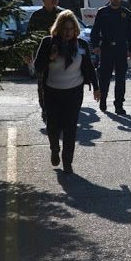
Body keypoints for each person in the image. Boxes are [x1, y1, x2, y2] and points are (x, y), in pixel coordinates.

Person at [34, 10, 100, 174]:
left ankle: (67, 161)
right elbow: (37, 67)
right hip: (52, 92)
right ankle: (55, 149)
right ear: (58, 29)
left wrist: (96, 88)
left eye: (71, 29)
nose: (67, 32)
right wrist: (50, 57)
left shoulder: (81, 45)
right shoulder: (48, 43)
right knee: (53, 126)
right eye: (64, 28)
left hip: (74, 92)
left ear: (75, 30)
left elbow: (89, 68)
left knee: (70, 127)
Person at [90, 0, 131, 115]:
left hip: (121, 48)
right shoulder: (103, 12)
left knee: (121, 78)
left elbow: (129, 33)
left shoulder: (125, 13)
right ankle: (103, 99)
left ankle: (119, 104)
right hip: (106, 48)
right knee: (104, 77)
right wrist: (96, 46)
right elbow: (95, 31)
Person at [25, 0, 64, 121]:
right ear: (43, 0)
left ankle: (58, 108)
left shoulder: (61, 14)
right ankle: (45, 108)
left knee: (59, 81)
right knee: (42, 82)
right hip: (41, 53)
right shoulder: (37, 15)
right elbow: (29, 35)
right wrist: (27, 53)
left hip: (59, 54)